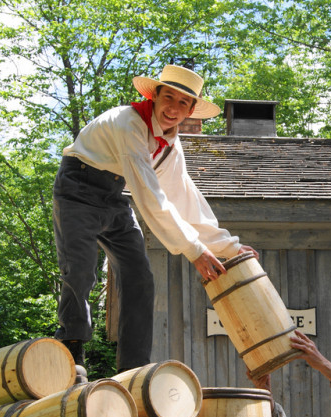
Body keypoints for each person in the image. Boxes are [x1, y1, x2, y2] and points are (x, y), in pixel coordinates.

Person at [53, 64, 257, 381]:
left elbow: (183, 198)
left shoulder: (170, 148)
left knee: (139, 275)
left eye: (183, 104)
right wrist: (194, 251)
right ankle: (70, 350)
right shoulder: (128, 124)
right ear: (155, 96)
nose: (173, 109)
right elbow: (150, 196)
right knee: (79, 269)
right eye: (169, 98)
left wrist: (227, 247)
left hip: (114, 194)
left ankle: (132, 369)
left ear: (191, 110)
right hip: (77, 188)